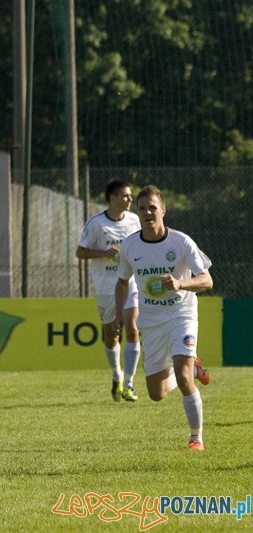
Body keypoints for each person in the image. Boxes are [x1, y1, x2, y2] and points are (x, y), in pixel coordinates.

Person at [114, 185, 213, 451]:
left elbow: (207, 280)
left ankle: (196, 438)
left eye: (152, 208)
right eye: (142, 208)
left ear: (163, 211)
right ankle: (194, 368)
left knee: (182, 379)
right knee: (156, 394)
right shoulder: (130, 245)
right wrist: (118, 315)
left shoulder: (180, 242)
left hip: (181, 315)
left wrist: (181, 283)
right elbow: (122, 282)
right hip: (151, 321)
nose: (147, 212)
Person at [76, 179, 142, 402]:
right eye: (125, 196)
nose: (130, 199)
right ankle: (117, 375)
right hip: (105, 286)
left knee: (132, 329)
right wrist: (104, 252)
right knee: (111, 334)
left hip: (129, 282)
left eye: (130, 195)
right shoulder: (96, 223)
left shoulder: (134, 221)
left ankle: (130, 383)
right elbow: (80, 252)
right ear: (112, 198)